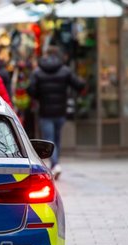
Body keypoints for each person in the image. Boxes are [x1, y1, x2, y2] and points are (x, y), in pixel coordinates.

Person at [28, 46, 85, 178]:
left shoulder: (38, 71)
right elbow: (78, 85)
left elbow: (31, 90)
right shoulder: (65, 70)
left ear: (46, 55)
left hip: (45, 111)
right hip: (60, 111)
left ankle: (55, 164)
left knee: (49, 139)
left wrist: (39, 96)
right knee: (57, 138)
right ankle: (55, 163)